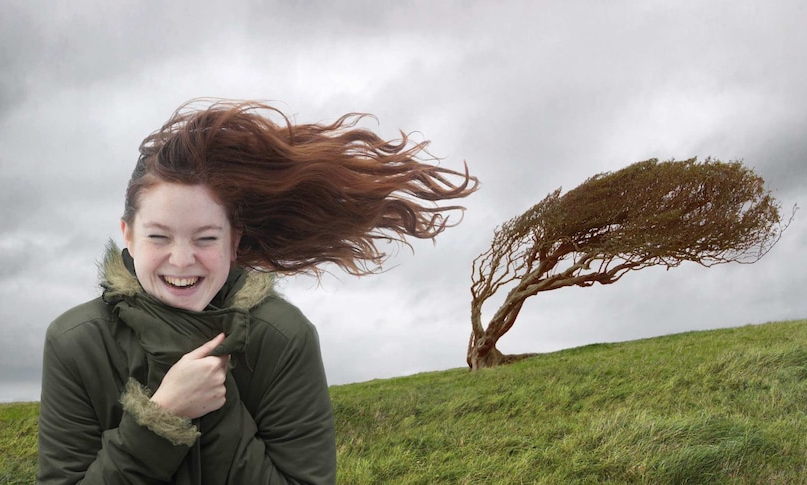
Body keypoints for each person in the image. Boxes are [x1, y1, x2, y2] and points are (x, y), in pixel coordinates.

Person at [37, 99, 478, 484]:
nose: (182, 258)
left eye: (206, 238)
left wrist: (209, 406)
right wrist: (163, 417)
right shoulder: (75, 341)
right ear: (128, 236)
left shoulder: (283, 338)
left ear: (234, 241)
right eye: (159, 237)